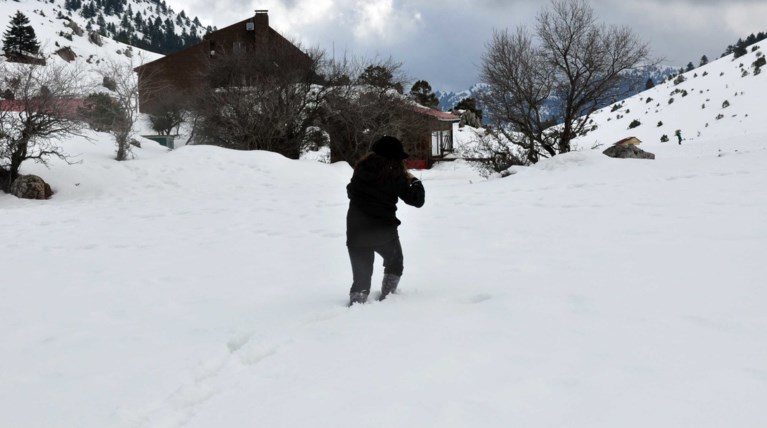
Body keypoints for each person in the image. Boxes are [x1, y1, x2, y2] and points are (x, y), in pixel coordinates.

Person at [345, 135, 425, 305]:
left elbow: (350, 191)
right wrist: (415, 181)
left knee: (361, 279)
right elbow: (417, 200)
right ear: (395, 158)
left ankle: (354, 309)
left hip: (356, 231)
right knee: (395, 263)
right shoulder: (395, 175)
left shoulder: (361, 170)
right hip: (383, 232)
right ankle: (388, 300)